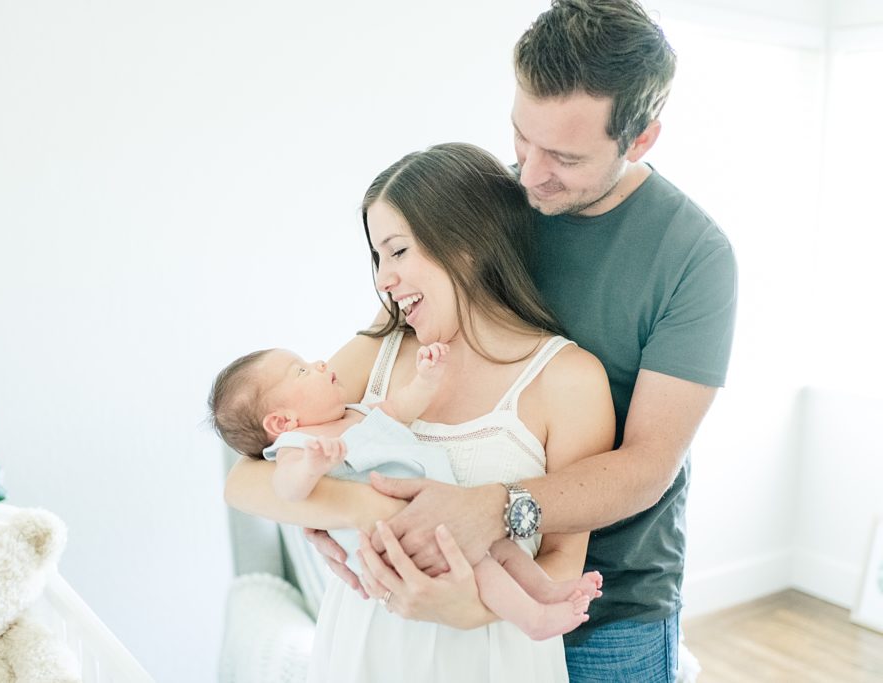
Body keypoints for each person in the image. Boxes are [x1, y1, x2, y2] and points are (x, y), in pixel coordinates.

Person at [231, 2, 738, 682]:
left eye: (563, 157)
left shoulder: (693, 258)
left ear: (640, 139)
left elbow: (646, 466)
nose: (528, 176)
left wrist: (490, 538)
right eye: (521, 138)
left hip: (611, 600)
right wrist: (329, 506)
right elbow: (322, 418)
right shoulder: (487, 209)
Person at [224, 142, 616, 682]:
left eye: (398, 251)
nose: (383, 279)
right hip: (365, 648)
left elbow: (562, 562)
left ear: (466, 245)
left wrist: (466, 609)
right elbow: (244, 478)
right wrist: (352, 510)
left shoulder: (569, 380)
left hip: (492, 655)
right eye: (378, 257)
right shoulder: (375, 351)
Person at [210, 341, 601, 642]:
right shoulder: (298, 445)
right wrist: (313, 466)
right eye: (301, 371)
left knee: (504, 549)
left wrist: (427, 378)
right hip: (408, 543)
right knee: (482, 567)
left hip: (446, 512)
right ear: (282, 420)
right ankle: (533, 620)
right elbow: (286, 489)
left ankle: (547, 591)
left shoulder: (353, 413)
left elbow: (400, 406)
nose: (320, 364)